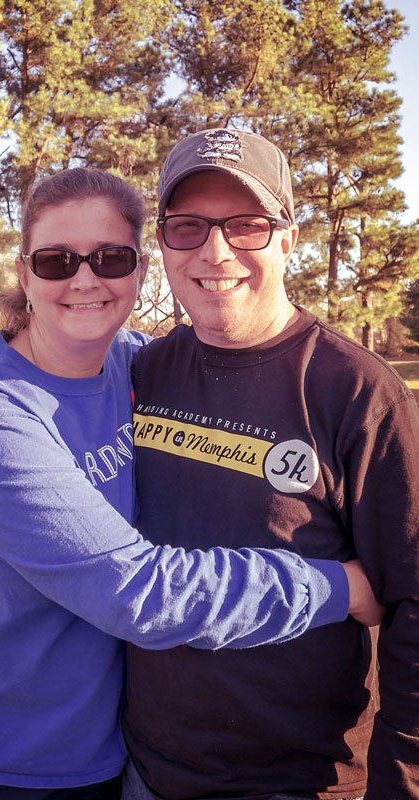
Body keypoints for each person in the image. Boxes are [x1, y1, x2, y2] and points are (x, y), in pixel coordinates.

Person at [0, 166, 379, 800]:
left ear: (139, 269)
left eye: (110, 257)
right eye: (54, 261)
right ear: (23, 274)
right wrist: (336, 586)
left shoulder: (137, 362)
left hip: (110, 747)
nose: (84, 279)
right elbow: (139, 593)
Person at [120, 129, 419, 800]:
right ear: (162, 245)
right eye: (187, 228)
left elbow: (411, 602)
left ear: (287, 239)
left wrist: (399, 784)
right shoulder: (144, 371)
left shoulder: (358, 392)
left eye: (246, 226)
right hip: (138, 765)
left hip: (291, 781)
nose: (214, 251)